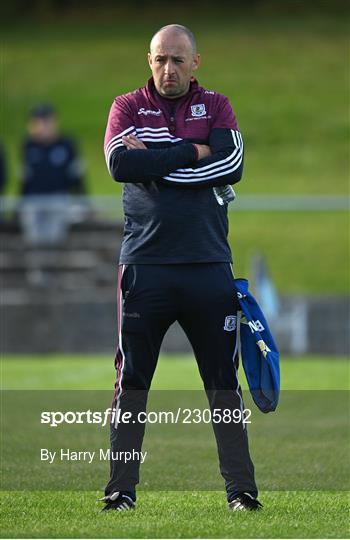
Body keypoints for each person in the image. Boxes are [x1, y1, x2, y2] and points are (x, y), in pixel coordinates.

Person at [101, 24, 262, 513]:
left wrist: (156, 161)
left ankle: (241, 492)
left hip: (208, 266)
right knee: (132, 382)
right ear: (148, 61)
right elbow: (119, 166)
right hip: (145, 268)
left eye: (177, 60)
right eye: (159, 59)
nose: (167, 69)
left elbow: (231, 163)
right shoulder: (126, 107)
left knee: (223, 384)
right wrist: (194, 150)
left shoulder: (216, 105)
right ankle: (120, 491)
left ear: (196, 63)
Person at [19, 104, 86, 244]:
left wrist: (83, 202)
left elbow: (76, 176)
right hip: (34, 201)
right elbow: (25, 178)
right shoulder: (28, 145)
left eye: (46, 121)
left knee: (55, 241)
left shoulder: (66, 144)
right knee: (33, 242)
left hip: (59, 198)